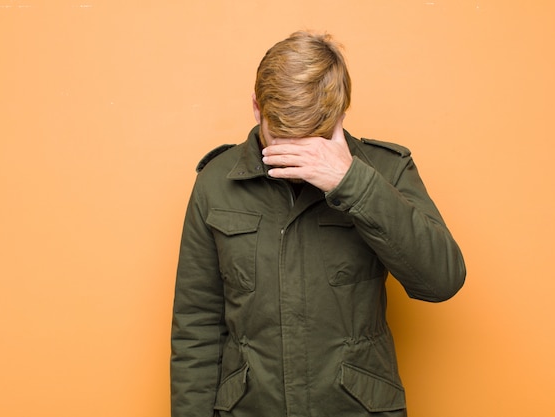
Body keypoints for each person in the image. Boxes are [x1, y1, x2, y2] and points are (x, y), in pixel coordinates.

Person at [171, 31, 466, 417]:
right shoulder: (215, 180)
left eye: (313, 140)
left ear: (342, 114)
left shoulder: (386, 169)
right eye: (282, 138)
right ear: (258, 109)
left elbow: (441, 280)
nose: (298, 158)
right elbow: (197, 325)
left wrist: (352, 182)